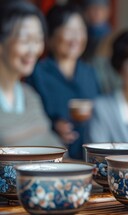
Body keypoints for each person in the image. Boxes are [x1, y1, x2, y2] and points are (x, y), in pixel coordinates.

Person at [27, 4, 100, 159]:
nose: (76, 37)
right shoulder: (37, 73)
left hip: (90, 159)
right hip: (51, 158)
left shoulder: (89, 72)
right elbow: (27, 118)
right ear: (51, 35)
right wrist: (53, 126)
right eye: (69, 30)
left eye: (80, 30)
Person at [0, 1, 62, 147]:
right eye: (25, 40)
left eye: (38, 40)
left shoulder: (30, 95)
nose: (33, 50)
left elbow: (55, 148)